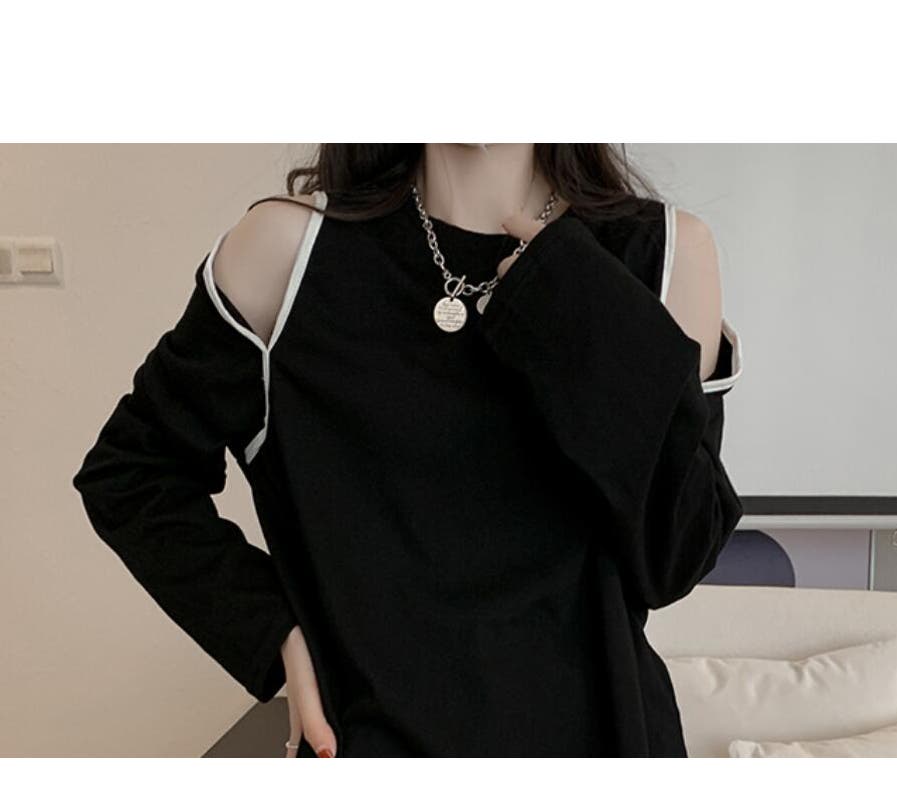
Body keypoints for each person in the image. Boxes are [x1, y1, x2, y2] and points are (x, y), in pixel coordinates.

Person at [72, 143, 744, 757]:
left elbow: (674, 558)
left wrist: (578, 304)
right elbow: (131, 475)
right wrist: (275, 635)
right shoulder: (288, 253)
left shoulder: (667, 254)